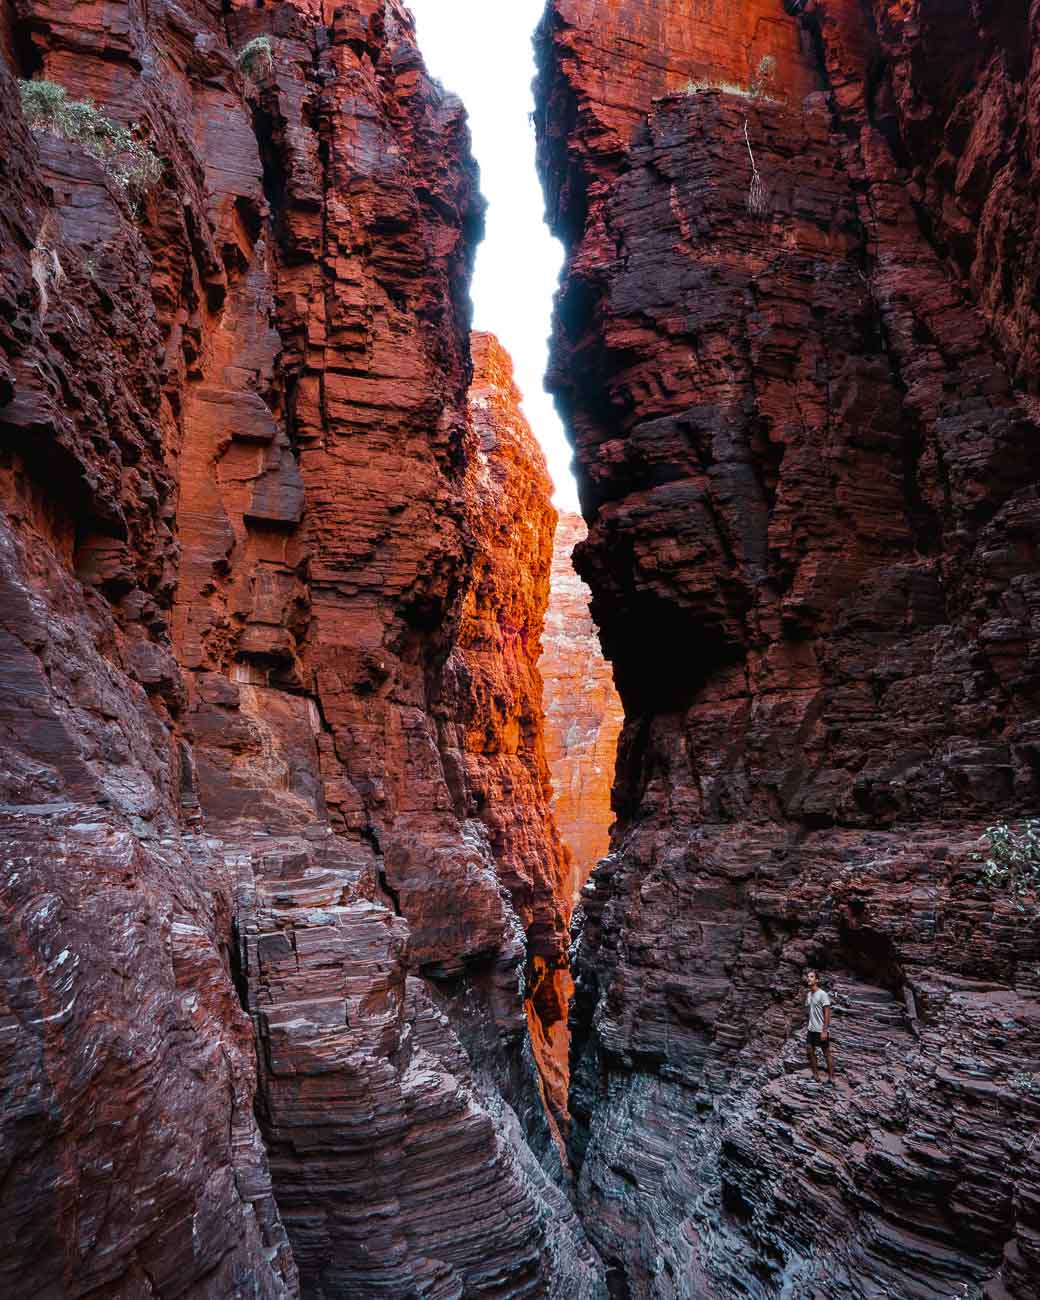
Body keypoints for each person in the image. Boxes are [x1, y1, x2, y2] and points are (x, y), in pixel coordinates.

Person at [805, 969, 835, 1085]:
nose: (809, 978)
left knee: (826, 1053)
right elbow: (809, 1011)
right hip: (811, 1029)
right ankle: (816, 1075)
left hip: (820, 1029)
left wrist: (824, 1031)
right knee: (810, 1051)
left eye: (811, 977)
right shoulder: (809, 994)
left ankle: (832, 1077)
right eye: (808, 976)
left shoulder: (822, 994)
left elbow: (827, 1013)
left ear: (817, 980)